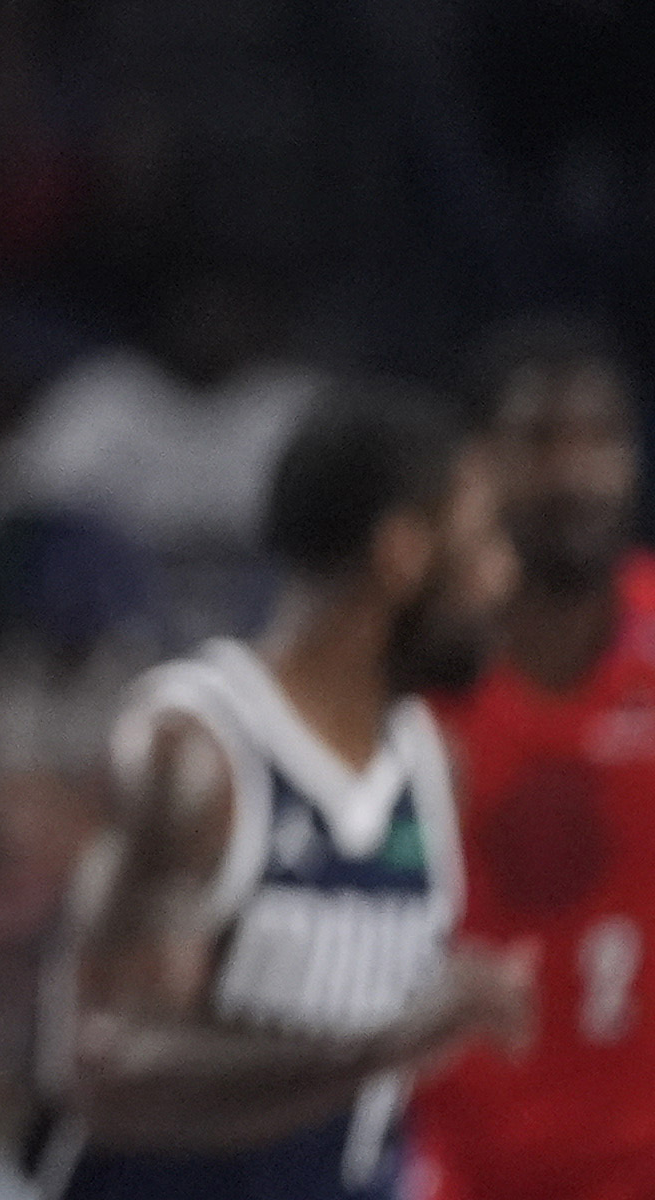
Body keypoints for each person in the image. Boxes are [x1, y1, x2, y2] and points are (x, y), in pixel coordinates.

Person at [39, 382, 534, 1198]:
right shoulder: (197, 750)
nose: (504, 577)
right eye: (483, 542)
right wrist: (389, 1040)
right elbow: (103, 1065)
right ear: (402, 550)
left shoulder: (432, 762)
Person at [407, 330, 655, 1200]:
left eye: (599, 440)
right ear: (477, 466)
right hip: (455, 1165)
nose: (573, 473)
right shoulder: (411, 669)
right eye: (542, 442)